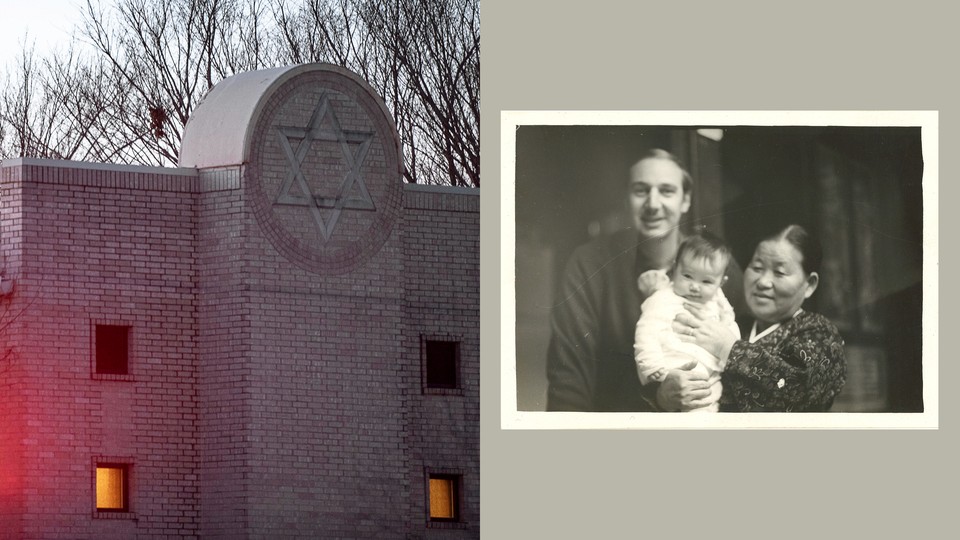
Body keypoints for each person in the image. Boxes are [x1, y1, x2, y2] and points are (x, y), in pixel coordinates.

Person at [545, 148, 743, 412]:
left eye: (667, 191)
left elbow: (745, 362)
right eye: (641, 190)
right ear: (627, 200)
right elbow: (569, 374)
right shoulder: (589, 263)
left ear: (686, 201)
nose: (653, 204)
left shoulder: (715, 267)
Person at [673, 224, 846, 412]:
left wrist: (729, 349)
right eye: (756, 267)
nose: (763, 282)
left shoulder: (820, 333)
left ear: (810, 284)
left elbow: (799, 390)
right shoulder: (734, 325)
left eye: (779, 272)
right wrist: (667, 395)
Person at [633, 232, 741, 412]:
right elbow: (646, 332)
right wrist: (652, 364)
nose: (695, 286)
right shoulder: (663, 299)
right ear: (675, 269)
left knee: (708, 406)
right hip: (669, 368)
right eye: (688, 276)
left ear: (721, 283)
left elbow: (731, 332)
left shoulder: (719, 305)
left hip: (710, 376)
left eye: (706, 281)